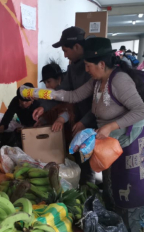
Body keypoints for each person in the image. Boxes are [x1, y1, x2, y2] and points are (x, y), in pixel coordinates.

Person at [22, 38, 144, 226]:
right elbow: (72, 96)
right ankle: (112, 223)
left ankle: (123, 229)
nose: (86, 70)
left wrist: (109, 126)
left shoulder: (120, 80)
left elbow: (141, 111)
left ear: (101, 64)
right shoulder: (97, 81)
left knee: (123, 189)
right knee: (110, 186)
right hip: (110, 142)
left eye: (88, 65)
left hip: (129, 140)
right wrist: (35, 93)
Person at [33, 26, 97, 185]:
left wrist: (85, 122)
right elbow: (62, 91)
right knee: (82, 158)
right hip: (81, 120)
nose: (65, 55)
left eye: (65, 50)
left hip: (96, 121)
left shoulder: (93, 66)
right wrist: (45, 106)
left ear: (77, 47)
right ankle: (84, 190)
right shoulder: (72, 67)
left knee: (95, 160)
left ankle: (92, 192)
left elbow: (99, 102)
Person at [0, 83, 40, 148]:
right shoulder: (15, 101)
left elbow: (41, 123)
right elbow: (8, 114)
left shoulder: (39, 105)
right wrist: (3, 125)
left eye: (26, 102)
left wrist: (26, 129)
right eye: (21, 101)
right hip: (24, 125)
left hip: (37, 129)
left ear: (32, 99)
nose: (23, 103)